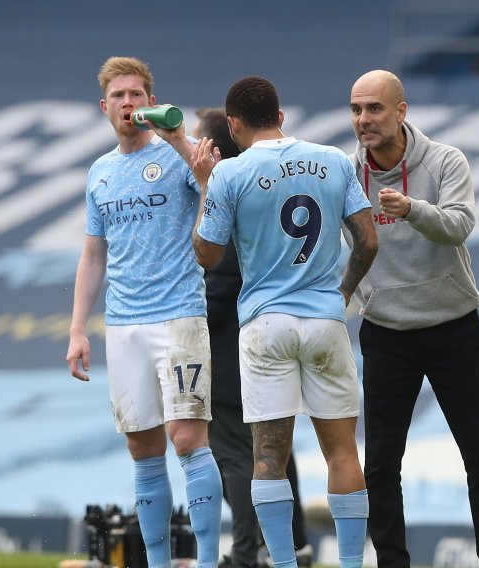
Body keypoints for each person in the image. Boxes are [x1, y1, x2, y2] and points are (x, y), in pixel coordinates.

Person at [187, 77, 378, 568]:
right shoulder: (334, 160)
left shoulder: (230, 173)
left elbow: (207, 255)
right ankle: (352, 564)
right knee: (342, 453)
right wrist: (343, 292)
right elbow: (367, 241)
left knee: (268, 459)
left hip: (266, 325)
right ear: (280, 117)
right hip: (325, 321)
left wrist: (206, 184)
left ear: (233, 125)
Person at [346, 69, 479, 567]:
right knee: (380, 465)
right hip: (386, 333)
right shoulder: (346, 174)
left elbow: (459, 225)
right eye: (356, 109)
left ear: (401, 111)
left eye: (374, 108)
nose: (363, 119)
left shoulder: (444, 160)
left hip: (453, 328)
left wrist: (412, 209)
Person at [65, 56, 223, 568]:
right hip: (123, 324)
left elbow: (216, 194)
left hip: (179, 316)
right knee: (142, 447)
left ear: (152, 102)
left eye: (136, 94)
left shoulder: (179, 151)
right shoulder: (100, 172)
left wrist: (182, 145)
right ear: (104, 106)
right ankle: (156, 563)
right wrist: (77, 330)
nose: (128, 103)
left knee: (187, 438)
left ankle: (206, 562)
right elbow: (93, 256)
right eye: (119, 95)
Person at [192, 109, 312, 568]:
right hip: (270, 341)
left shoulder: (226, 198)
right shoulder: (258, 191)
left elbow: (220, 285)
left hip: (231, 353)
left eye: (198, 140)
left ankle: (246, 554)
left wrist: (182, 324)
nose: (191, 148)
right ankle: (292, 546)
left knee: (235, 456)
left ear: (214, 150)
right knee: (271, 448)